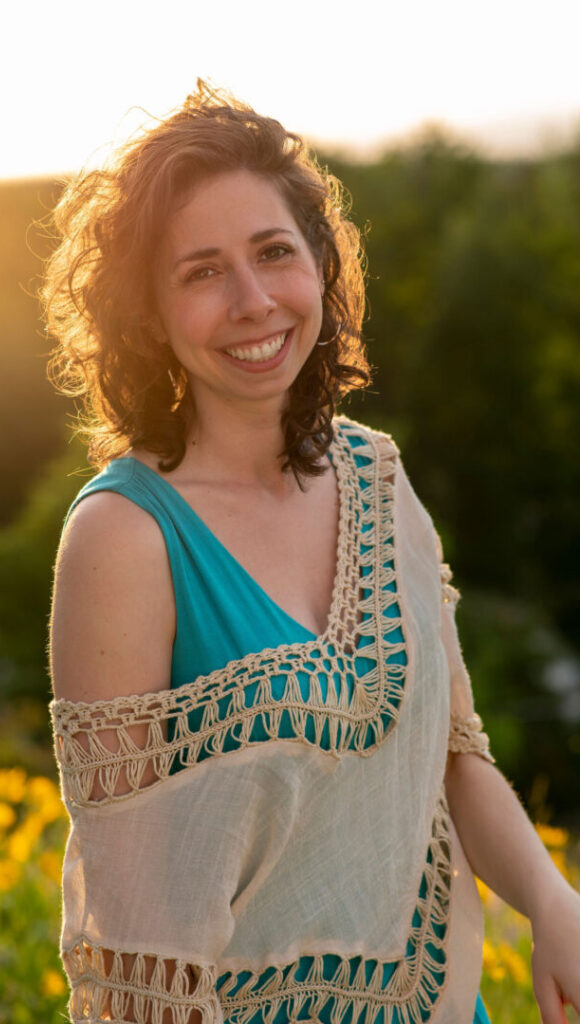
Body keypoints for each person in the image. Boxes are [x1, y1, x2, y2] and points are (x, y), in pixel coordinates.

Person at [43, 81, 580, 1024]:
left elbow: (457, 758)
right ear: (148, 313)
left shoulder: (379, 479)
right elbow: (132, 955)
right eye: (202, 272)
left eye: (274, 253)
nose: (254, 302)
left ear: (319, 270)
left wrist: (553, 902)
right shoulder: (124, 538)